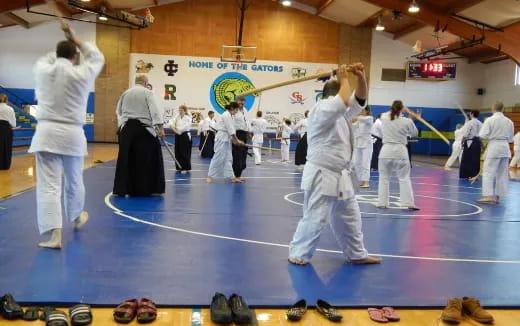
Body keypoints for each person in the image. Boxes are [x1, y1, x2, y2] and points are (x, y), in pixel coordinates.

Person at [288, 63, 381, 265]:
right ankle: (298, 253)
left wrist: (361, 76)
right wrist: (344, 77)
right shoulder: (322, 109)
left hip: (341, 174)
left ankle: (357, 254)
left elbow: (360, 100)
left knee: (350, 216)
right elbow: (346, 99)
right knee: (316, 216)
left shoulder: (341, 114)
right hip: (322, 172)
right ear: (336, 93)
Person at [29, 20, 104, 249]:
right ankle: (76, 216)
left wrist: (66, 43)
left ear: (58, 54)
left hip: (47, 133)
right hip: (72, 134)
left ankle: (55, 236)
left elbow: (48, 59)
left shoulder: (43, 70)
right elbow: (97, 57)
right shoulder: (82, 74)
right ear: (75, 56)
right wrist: (75, 39)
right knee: (74, 180)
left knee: (48, 186)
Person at [113, 74, 165, 197]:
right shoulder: (147, 92)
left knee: (126, 158)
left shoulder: (125, 93)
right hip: (143, 130)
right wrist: (160, 129)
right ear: (145, 82)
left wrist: (122, 125)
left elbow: (118, 111)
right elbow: (155, 111)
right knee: (149, 157)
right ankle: (147, 188)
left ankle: (125, 189)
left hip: (126, 131)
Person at [376, 101, 419, 210]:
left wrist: (403, 111)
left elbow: (387, 114)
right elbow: (414, 133)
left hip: (385, 152)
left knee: (384, 178)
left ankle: (382, 202)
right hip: (400, 152)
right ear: (402, 109)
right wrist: (410, 115)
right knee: (404, 178)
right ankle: (408, 203)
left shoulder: (384, 117)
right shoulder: (407, 121)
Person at [477, 101, 514, 204]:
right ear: (503, 109)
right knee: (502, 173)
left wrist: (490, 138)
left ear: (493, 108)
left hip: (494, 146)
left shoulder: (490, 120)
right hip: (505, 148)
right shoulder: (509, 121)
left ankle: (488, 195)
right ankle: (498, 197)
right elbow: (511, 139)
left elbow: (482, 135)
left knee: (489, 172)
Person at [207, 102, 245, 183]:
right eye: (236, 109)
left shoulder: (231, 116)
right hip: (221, 138)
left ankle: (231, 176)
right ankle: (210, 176)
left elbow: (232, 130)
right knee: (218, 157)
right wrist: (237, 140)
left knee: (228, 158)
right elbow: (230, 129)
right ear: (232, 108)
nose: (236, 111)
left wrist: (235, 140)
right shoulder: (226, 115)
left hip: (227, 138)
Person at [352, 106, 373, 188]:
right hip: (357, 143)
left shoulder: (369, 118)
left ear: (367, 111)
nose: (361, 111)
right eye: (360, 110)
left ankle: (366, 181)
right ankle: (359, 180)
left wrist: (353, 117)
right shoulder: (358, 120)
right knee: (356, 162)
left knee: (365, 163)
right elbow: (352, 126)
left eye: (362, 110)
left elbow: (360, 119)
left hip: (367, 144)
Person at [459, 110, 482, 179]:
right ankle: (474, 176)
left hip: (470, 142)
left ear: (472, 114)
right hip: (478, 142)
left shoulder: (470, 123)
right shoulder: (481, 123)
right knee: (476, 160)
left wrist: (462, 141)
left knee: (466, 159)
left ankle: (465, 175)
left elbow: (466, 133)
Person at [170, 105, 192, 173]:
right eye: (179, 110)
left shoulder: (188, 118)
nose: (180, 111)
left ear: (185, 111)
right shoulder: (177, 116)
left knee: (184, 152)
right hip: (177, 135)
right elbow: (171, 122)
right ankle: (179, 167)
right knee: (177, 152)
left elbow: (184, 127)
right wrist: (173, 128)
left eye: (181, 110)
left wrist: (176, 129)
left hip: (185, 135)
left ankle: (185, 167)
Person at [232, 96, 249, 182]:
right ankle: (236, 176)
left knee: (243, 156)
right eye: (239, 102)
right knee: (237, 156)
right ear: (236, 102)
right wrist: (234, 138)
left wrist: (249, 132)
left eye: (243, 103)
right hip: (237, 134)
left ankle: (238, 174)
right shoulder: (234, 111)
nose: (241, 104)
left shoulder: (245, 110)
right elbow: (232, 125)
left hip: (244, 134)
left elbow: (247, 123)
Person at [0, 94, 16, 170]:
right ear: (6, 100)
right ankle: (5, 165)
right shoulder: (10, 109)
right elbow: (13, 124)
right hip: (6, 128)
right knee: (7, 147)